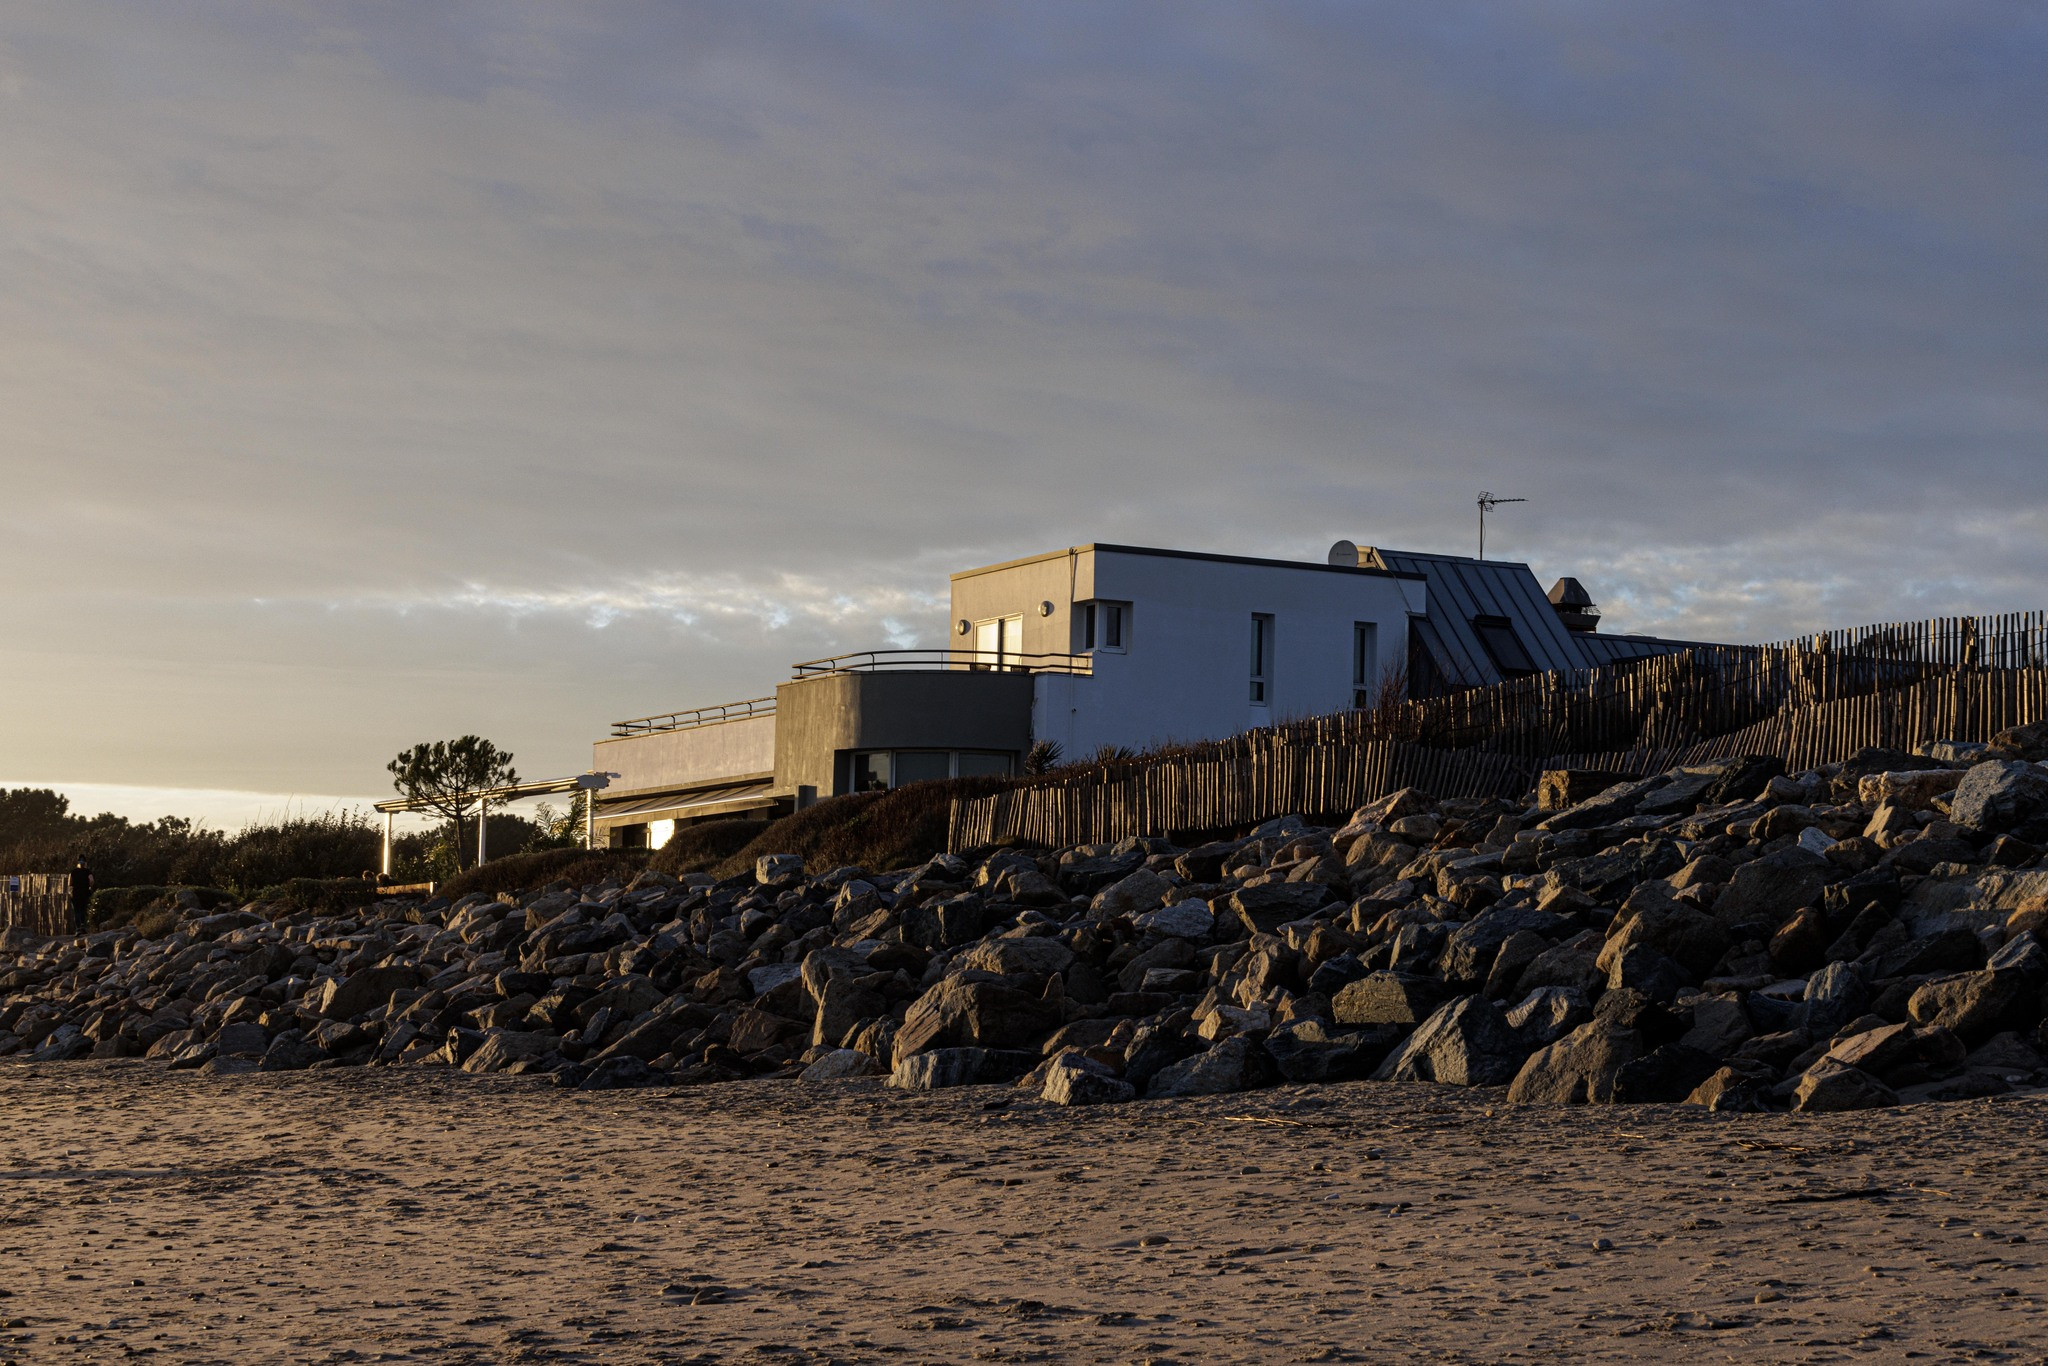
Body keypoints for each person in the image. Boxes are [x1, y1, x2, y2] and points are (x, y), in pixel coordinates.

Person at [69, 858, 93, 934]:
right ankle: (83, 925)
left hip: (75, 893)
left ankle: (78, 928)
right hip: (84, 892)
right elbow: (91, 880)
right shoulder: (87, 871)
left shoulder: (73, 871)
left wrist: (72, 888)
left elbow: (70, 882)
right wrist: (89, 887)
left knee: (76, 911)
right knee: (83, 909)